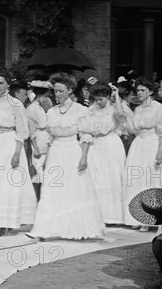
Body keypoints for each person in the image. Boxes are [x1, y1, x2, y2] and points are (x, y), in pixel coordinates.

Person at [27, 73, 105, 240]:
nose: (57, 95)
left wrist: (84, 158)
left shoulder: (81, 110)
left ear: (70, 90)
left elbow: (85, 135)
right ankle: (44, 229)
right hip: (56, 153)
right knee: (52, 191)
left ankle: (75, 228)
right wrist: (46, 160)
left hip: (72, 151)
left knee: (74, 190)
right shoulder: (52, 112)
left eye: (61, 91)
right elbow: (50, 138)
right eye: (55, 91)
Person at [0, 68, 37, 237]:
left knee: (8, 185)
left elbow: (22, 130)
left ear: (8, 84)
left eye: (1, 83)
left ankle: (8, 221)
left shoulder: (16, 104)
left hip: (10, 144)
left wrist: (16, 153)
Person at [123, 78, 162, 231]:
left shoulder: (159, 107)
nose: (139, 93)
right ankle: (137, 216)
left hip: (153, 143)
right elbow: (133, 129)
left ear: (151, 92)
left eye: (143, 90)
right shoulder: (137, 109)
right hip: (139, 144)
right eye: (137, 90)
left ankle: (150, 218)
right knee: (136, 178)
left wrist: (160, 151)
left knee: (151, 179)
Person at [82, 82, 129, 225]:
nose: (98, 101)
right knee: (96, 179)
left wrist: (117, 97)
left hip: (111, 144)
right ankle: (97, 215)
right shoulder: (91, 110)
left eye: (101, 98)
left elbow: (122, 117)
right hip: (96, 145)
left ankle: (112, 216)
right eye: (96, 98)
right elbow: (86, 130)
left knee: (111, 178)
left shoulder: (114, 109)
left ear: (108, 96)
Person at [27, 80, 53, 201]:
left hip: (44, 141)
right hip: (37, 143)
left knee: (43, 176)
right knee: (37, 175)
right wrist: (35, 148)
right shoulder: (32, 108)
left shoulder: (40, 108)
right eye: (45, 97)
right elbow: (31, 129)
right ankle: (35, 200)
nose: (46, 99)